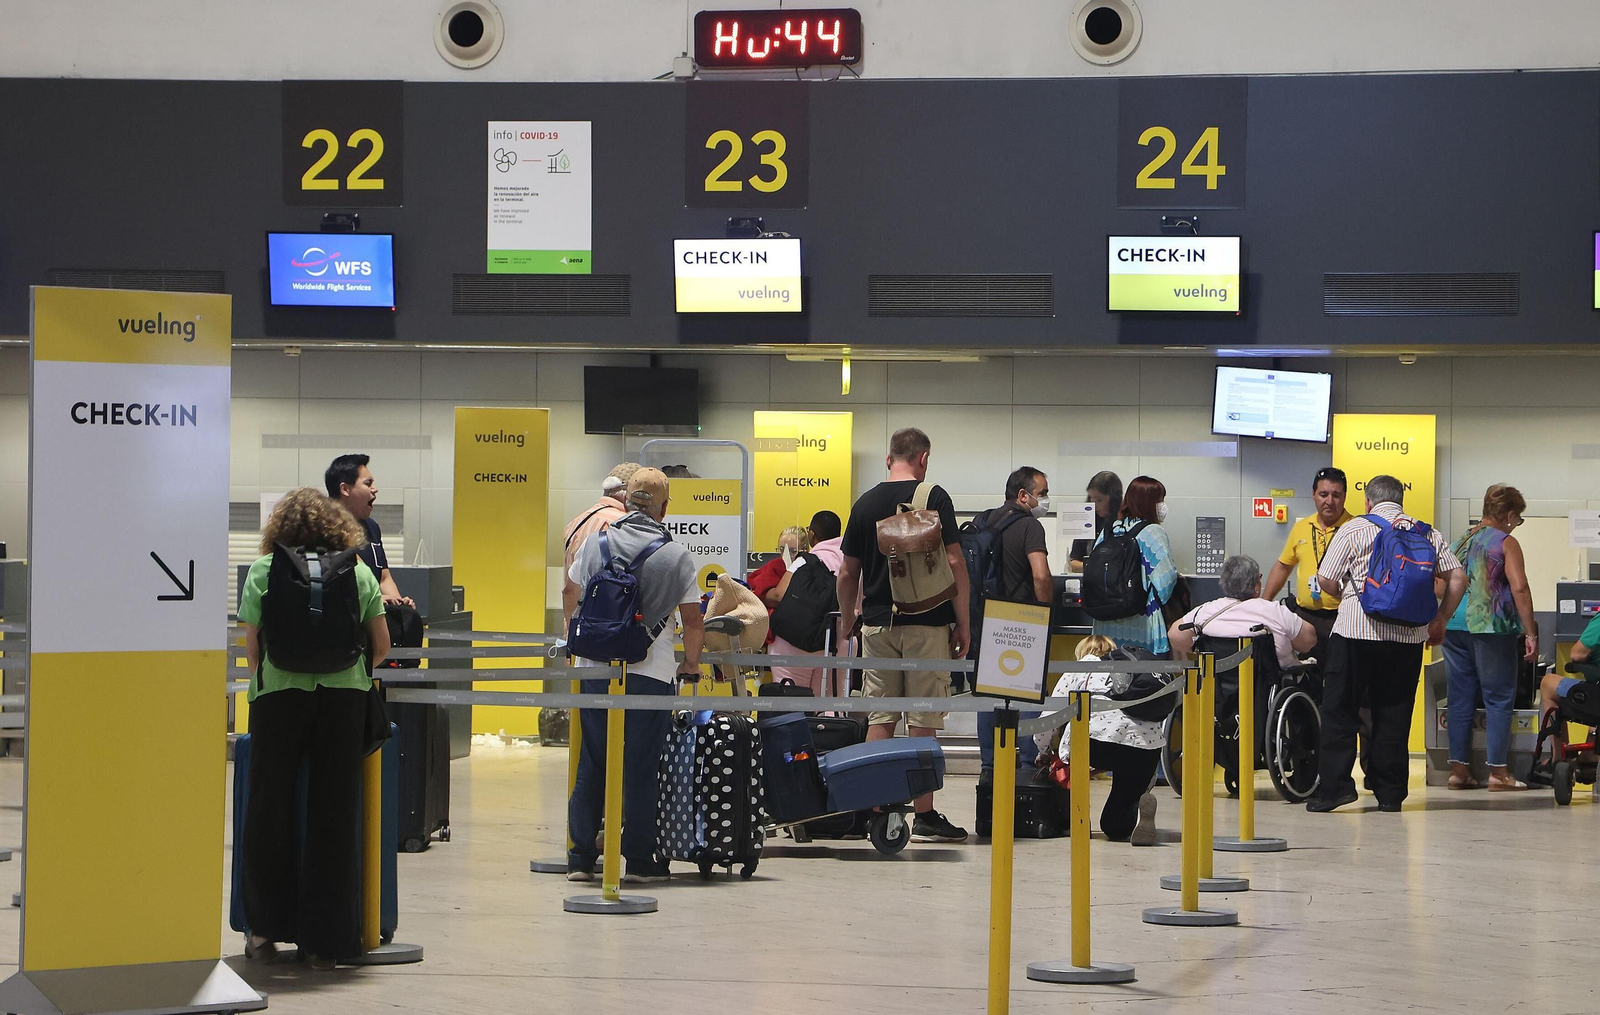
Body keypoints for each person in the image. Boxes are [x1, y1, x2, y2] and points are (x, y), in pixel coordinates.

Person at [238, 488, 391, 969]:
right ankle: (328, 939)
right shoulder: (359, 570)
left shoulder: (264, 571)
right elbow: (381, 645)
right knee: (335, 814)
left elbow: (252, 648)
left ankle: (264, 930)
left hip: (279, 699)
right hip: (343, 699)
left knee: (269, 808)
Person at [565, 467, 703, 883]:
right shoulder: (675, 555)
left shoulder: (596, 542)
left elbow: (574, 593)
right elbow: (693, 622)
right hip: (651, 669)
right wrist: (691, 664)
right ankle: (640, 859)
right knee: (641, 765)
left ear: (626, 500)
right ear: (664, 508)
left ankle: (581, 858)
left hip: (595, 666)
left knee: (592, 759)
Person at [837, 427, 970, 843]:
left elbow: (846, 573)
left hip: (877, 624)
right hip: (928, 623)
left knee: (881, 714)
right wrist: (963, 621)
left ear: (889, 457)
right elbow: (954, 561)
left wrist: (848, 619)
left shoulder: (863, 503)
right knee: (923, 717)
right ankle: (924, 813)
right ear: (924, 458)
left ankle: (878, 807)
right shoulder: (934, 496)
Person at [1306, 475, 1465, 813]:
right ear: (1401, 501)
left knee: (1340, 710)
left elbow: (1326, 579)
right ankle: (1390, 793)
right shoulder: (1426, 532)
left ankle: (1335, 789)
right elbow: (1458, 577)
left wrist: (1346, 592)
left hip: (1354, 632)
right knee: (1393, 714)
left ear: (1368, 502)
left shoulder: (1354, 529)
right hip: (1408, 638)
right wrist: (1441, 619)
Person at [1442, 484, 1537, 791]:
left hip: (1454, 627)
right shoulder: (1505, 542)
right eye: (1517, 518)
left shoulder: (1458, 542)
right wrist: (1530, 631)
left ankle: (1458, 770)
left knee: (1459, 699)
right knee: (1498, 698)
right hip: (1490, 627)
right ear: (1509, 515)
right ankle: (1498, 772)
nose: (1516, 524)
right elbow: (1519, 587)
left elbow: (1439, 585)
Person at [1033, 635, 1162, 845]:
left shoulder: (1080, 669)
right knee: (1116, 825)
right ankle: (1131, 817)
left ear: (1081, 653)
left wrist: (1045, 751)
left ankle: (1075, 820)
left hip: (1096, 742)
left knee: (1061, 767)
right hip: (1146, 746)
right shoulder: (1130, 668)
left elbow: (1049, 719)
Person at [978, 467, 1053, 778]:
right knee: (1026, 690)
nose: (1046, 499)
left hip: (988, 617)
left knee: (990, 693)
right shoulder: (1029, 526)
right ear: (1024, 495)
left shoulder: (986, 521)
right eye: (1043, 493)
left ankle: (990, 766)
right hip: (1024, 618)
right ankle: (1027, 766)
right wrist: (1046, 611)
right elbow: (1040, 574)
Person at [1262, 467, 1353, 660]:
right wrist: (1264, 604)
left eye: (1336, 495)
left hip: (1343, 619)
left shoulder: (1355, 529)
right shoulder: (1302, 527)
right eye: (1323, 494)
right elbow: (1283, 566)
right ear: (1313, 495)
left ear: (1345, 496)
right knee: (1306, 677)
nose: (1329, 501)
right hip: (1305, 619)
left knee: (1339, 679)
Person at [1170, 555, 1318, 670]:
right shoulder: (1274, 611)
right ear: (1256, 586)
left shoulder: (1206, 611)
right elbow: (1308, 641)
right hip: (1268, 688)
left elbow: (1175, 636)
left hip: (1219, 691)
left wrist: (1198, 645)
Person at [1089, 476, 1179, 657]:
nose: (1162, 506)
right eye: (1160, 500)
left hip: (1105, 626)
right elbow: (1165, 582)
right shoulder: (1153, 532)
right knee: (1147, 682)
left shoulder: (1109, 530)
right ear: (1149, 502)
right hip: (1142, 625)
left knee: (1108, 682)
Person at [766, 513, 846, 694]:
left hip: (796, 642)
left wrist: (762, 594)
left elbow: (779, 596)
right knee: (831, 703)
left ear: (811, 535)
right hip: (838, 641)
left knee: (792, 703)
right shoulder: (851, 561)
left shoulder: (805, 561)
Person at [326, 453, 413, 608]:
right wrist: (376, 598)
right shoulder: (322, 529)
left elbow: (384, 578)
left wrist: (398, 603)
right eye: (368, 484)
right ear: (345, 489)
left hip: (373, 614)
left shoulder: (372, 527)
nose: (375, 489)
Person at [561, 463, 640, 623]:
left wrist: (572, 632)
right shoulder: (622, 526)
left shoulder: (576, 522)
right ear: (627, 496)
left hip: (578, 632)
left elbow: (569, 590)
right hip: (609, 634)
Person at [1068, 471, 1122, 574]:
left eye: (1099, 500)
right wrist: (1096, 567)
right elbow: (1074, 563)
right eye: (1091, 499)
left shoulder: (1125, 525)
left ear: (1114, 500)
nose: (1093, 505)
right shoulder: (1086, 523)